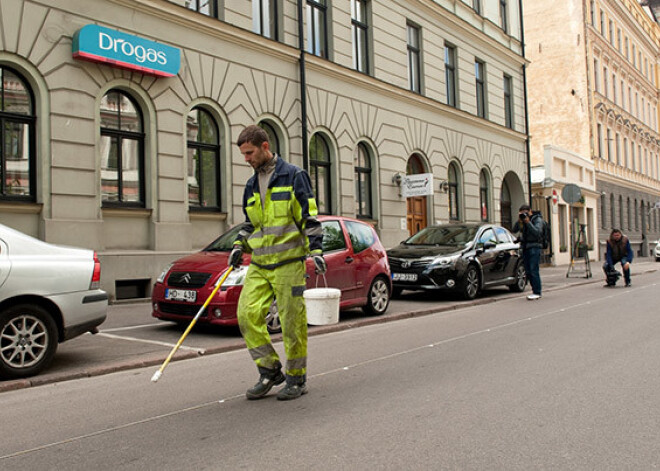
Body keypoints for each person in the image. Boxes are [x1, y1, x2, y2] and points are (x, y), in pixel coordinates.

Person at [230, 124, 324, 401]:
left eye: (249, 153)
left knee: (292, 323)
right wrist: (238, 245)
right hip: (260, 263)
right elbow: (250, 224)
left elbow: (310, 217)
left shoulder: (294, 176)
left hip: (288, 263)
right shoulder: (250, 184)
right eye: (244, 154)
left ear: (265, 147)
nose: (246, 159)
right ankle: (270, 370)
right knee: (246, 316)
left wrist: (316, 251)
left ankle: (297, 379)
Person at [512, 204, 544, 300]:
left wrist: (528, 222)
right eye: (522, 213)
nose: (524, 215)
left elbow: (537, 233)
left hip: (535, 247)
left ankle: (537, 292)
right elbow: (514, 230)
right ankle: (535, 290)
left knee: (533, 269)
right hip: (525, 247)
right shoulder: (523, 221)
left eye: (525, 213)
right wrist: (519, 221)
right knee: (528, 271)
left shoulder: (537, 220)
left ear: (530, 211)